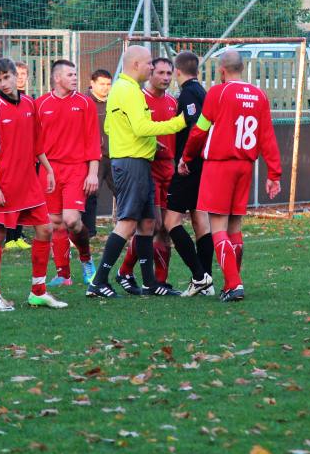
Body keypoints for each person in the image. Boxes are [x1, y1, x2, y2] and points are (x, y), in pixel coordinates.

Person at [179, 49, 282, 302]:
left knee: (217, 227)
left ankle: (234, 284)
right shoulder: (259, 95)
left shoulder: (219, 92)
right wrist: (274, 173)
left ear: (222, 71)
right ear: (242, 68)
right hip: (245, 165)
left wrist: (186, 156)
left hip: (220, 165)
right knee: (234, 226)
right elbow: (267, 136)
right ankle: (232, 282)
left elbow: (200, 130)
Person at [85, 45, 187, 298]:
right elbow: (141, 127)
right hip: (131, 163)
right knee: (128, 222)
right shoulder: (128, 91)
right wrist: (181, 122)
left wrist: (151, 143)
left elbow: (111, 125)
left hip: (138, 160)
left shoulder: (123, 90)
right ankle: (98, 282)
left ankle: (150, 283)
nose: (152, 68)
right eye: (150, 63)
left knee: (147, 222)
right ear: (135, 65)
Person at [0, 58, 64, 311]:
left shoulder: (29, 104)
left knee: (45, 229)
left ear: (17, 76)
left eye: (7, 77)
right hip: (3, 183)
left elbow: (37, 144)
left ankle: (38, 291)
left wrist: (47, 169)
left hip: (29, 183)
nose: (4, 83)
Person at [116, 57, 182, 293]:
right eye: (160, 72)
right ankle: (124, 271)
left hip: (169, 169)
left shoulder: (174, 102)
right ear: (150, 73)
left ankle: (161, 282)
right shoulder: (138, 98)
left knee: (166, 228)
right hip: (147, 168)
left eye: (169, 73)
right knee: (151, 225)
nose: (165, 77)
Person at [34, 59, 101, 287]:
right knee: (55, 223)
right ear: (57, 78)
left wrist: (92, 173)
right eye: (70, 74)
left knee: (72, 220)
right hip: (49, 170)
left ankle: (86, 259)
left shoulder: (85, 103)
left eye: (75, 74)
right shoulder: (41, 104)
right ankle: (63, 274)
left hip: (76, 169)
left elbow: (93, 140)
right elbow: (34, 142)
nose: (75, 78)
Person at [164, 51, 216, 298]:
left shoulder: (187, 94)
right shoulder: (203, 92)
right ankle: (208, 281)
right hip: (205, 165)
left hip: (189, 165)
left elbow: (196, 126)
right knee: (199, 220)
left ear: (177, 71)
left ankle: (199, 276)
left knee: (171, 221)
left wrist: (185, 157)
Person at [2, 60, 33, 250]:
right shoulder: (2, 101)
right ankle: (8, 238)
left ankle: (18, 235)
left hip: (26, 158)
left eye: (23, 75)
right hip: (8, 160)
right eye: (17, 74)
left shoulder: (28, 101)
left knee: (23, 198)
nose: (20, 78)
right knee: (9, 197)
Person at [81, 69, 114, 239]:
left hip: (115, 155)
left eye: (108, 84)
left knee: (123, 193)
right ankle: (88, 232)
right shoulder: (84, 102)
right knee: (90, 194)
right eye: (102, 84)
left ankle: (126, 230)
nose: (105, 88)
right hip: (94, 157)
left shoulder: (115, 101)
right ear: (92, 83)